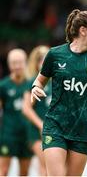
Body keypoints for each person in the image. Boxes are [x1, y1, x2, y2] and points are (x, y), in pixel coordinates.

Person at [31, 9, 87, 176]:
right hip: (55, 125)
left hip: (83, 129)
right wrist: (36, 87)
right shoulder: (55, 54)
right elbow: (39, 81)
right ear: (83, 30)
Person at [0, 49, 33, 176]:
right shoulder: (3, 86)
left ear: (25, 63)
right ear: (9, 65)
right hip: (8, 135)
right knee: (3, 171)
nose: (17, 66)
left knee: (24, 173)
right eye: (14, 63)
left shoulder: (31, 84)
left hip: (26, 135)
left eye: (20, 62)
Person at [22, 45, 51, 175]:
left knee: (49, 166)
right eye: (40, 60)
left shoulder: (54, 82)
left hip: (53, 130)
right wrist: (40, 125)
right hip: (37, 131)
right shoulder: (33, 83)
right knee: (45, 163)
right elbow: (26, 108)